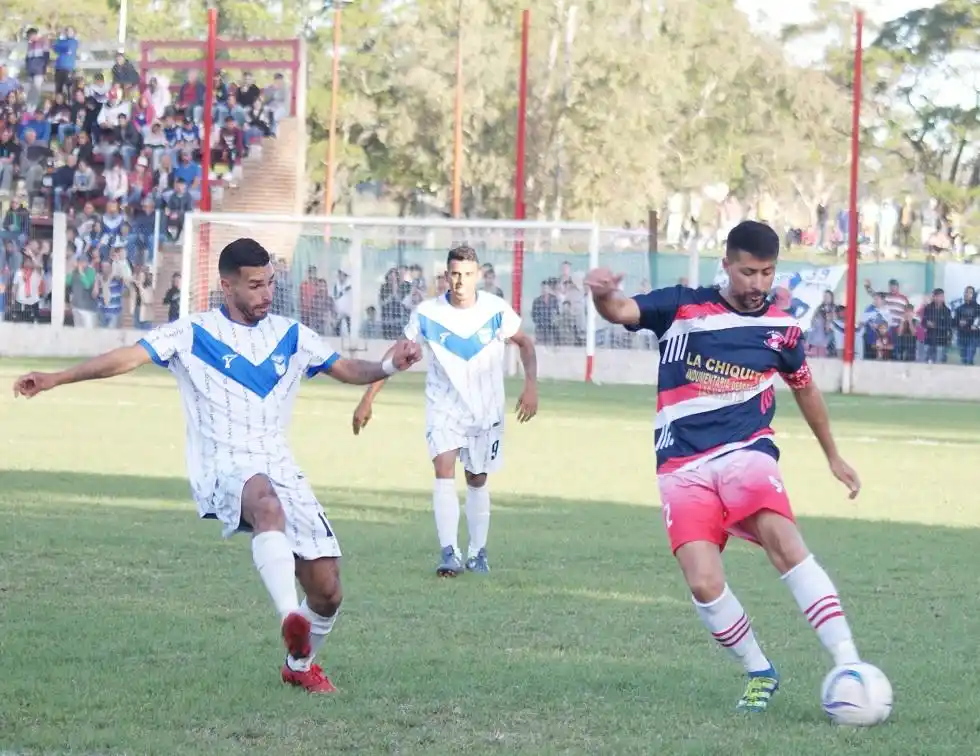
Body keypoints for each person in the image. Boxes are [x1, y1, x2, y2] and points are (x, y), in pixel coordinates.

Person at [12, 238, 422, 694]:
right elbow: (126, 357)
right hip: (224, 464)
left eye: (270, 283)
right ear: (227, 286)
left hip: (280, 463)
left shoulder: (290, 335)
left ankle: (298, 662)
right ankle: (289, 614)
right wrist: (56, 378)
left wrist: (390, 364)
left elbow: (347, 367)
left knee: (327, 591)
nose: (266, 293)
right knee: (265, 503)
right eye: (254, 285)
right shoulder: (193, 332)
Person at [585, 220, 865, 713]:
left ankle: (849, 663)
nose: (757, 284)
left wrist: (832, 455)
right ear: (726, 264)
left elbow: (805, 389)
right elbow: (621, 310)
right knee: (703, 582)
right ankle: (759, 669)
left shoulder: (781, 329)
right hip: (681, 464)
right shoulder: (681, 306)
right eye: (747, 272)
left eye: (766, 272)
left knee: (783, 539)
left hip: (747, 452)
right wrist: (604, 295)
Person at [351, 245, 539, 577]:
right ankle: (448, 552)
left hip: (484, 409)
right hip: (444, 406)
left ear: (478, 276)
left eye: (467, 274)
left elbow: (525, 343)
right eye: (454, 274)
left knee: (477, 479)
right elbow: (398, 351)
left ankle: (477, 552)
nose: (460, 281)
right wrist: (369, 396)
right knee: (443, 470)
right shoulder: (427, 313)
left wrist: (531, 387)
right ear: (446, 275)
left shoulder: (496, 310)